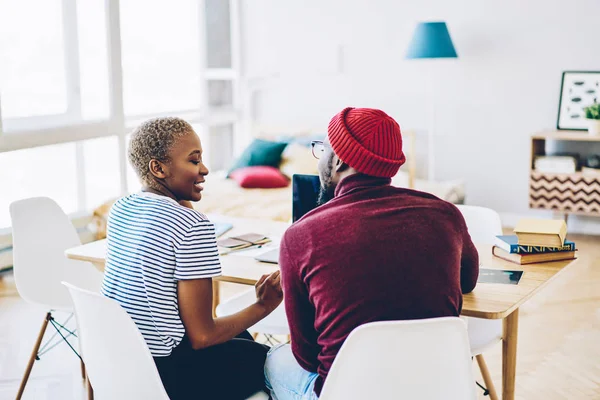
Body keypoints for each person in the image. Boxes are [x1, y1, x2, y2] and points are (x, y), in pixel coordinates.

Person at [264, 107, 479, 399]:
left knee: (272, 359)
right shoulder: (445, 214)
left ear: (338, 160)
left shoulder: (300, 236)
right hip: (435, 387)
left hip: (346, 392)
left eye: (323, 149)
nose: (321, 159)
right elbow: (467, 282)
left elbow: (307, 356)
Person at [101, 117, 283, 400]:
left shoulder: (121, 208)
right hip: (171, 376)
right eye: (194, 161)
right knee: (279, 364)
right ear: (158, 168)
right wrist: (264, 305)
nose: (205, 169)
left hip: (122, 365)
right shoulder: (192, 226)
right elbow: (202, 337)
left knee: (243, 337)